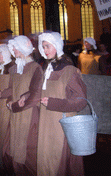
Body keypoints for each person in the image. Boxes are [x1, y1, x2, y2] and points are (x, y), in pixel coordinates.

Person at [37, 32, 87, 175]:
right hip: (46, 122)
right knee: (46, 159)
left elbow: (80, 100)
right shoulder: (46, 69)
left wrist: (55, 103)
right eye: (43, 47)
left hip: (62, 124)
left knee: (60, 162)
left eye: (48, 46)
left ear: (57, 46)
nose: (45, 50)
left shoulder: (69, 70)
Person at [0, 36, 43, 175]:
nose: (12, 49)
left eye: (15, 46)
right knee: (9, 149)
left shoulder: (35, 68)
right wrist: (9, 103)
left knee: (27, 150)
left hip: (28, 114)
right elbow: (12, 90)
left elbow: (35, 93)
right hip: (15, 114)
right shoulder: (14, 68)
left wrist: (17, 105)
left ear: (23, 48)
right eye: (12, 47)